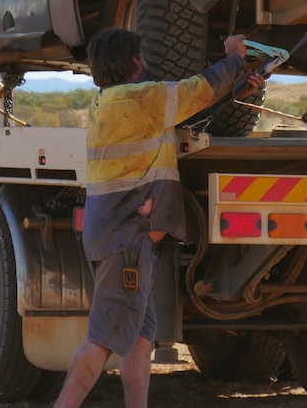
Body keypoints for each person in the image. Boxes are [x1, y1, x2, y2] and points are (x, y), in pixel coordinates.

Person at [53, 29, 265, 408]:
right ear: (135, 61)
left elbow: (184, 111)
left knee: (139, 341)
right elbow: (196, 90)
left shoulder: (109, 102)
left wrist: (234, 92)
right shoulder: (142, 97)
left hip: (123, 238)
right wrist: (234, 57)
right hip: (129, 240)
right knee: (102, 340)